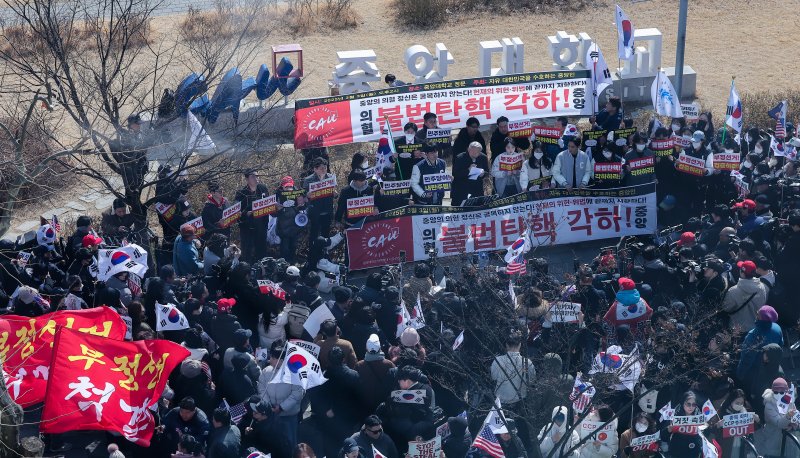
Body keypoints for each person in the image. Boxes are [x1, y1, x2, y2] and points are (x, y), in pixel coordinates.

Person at [721, 260, 767, 333]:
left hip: (737, 329)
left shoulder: (733, 291)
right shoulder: (762, 287)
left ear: (742, 273)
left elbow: (726, 308)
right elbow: (763, 303)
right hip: (754, 328)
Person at [755, 377, 797, 458]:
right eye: (776, 392)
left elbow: (797, 418)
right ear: (772, 391)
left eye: (781, 393)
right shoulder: (769, 404)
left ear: (786, 392)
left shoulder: (790, 401)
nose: (778, 394)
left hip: (787, 439)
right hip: (773, 438)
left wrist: (792, 425)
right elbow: (779, 423)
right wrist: (788, 416)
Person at [235, 170, 269, 263]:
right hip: (247, 227)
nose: (256, 178)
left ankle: (262, 271)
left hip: (261, 226)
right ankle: (246, 271)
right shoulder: (241, 193)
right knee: (247, 251)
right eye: (253, 176)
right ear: (247, 179)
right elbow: (236, 211)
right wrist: (247, 213)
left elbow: (268, 204)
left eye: (257, 176)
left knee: (261, 250)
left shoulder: (263, 188)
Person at [303, 157, 336, 240]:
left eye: (325, 168)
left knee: (326, 234)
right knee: (314, 234)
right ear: (315, 169)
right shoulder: (308, 180)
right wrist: (307, 195)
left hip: (327, 210)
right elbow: (303, 195)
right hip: (315, 212)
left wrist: (335, 194)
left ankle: (325, 251)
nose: (324, 170)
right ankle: (314, 252)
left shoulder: (330, 177)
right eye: (322, 168)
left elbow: (333, 193)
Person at [451, 141, 490, 206]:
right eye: (473, 151)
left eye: (478, 152)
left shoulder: (483, 157)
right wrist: (468, 170)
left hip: (476, 188)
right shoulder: (460, 157)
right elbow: (455, 173)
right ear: (469, 149)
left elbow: (487, 172)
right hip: (462, 189)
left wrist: (483, 174)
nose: (475, 153)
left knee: (478, 208)